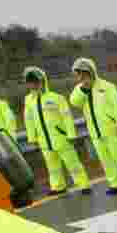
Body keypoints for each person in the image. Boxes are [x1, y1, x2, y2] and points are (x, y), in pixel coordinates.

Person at [70, 57, 117, 195]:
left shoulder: (107, 86)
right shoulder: (79, 89)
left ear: (91, 71)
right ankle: (116, 183)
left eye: (84, 72)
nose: (82, 76)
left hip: (112, 129)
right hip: (95, 131)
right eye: (79, 73)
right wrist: (84, 89)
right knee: (105, 159)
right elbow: (74, 102)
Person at [22, 66, 91, 196]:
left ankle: (83, 184)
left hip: (61, 137)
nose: (33, 84)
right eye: (30, 81)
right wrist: (32, 138)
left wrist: (71, 134)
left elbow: (67, 116)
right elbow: (28, 120)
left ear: (42, 81)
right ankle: (58, 186)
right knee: (52, 166)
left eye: (35, 80)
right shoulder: (28, 100)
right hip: (44, 139)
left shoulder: (56, 98)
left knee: (72, 163)